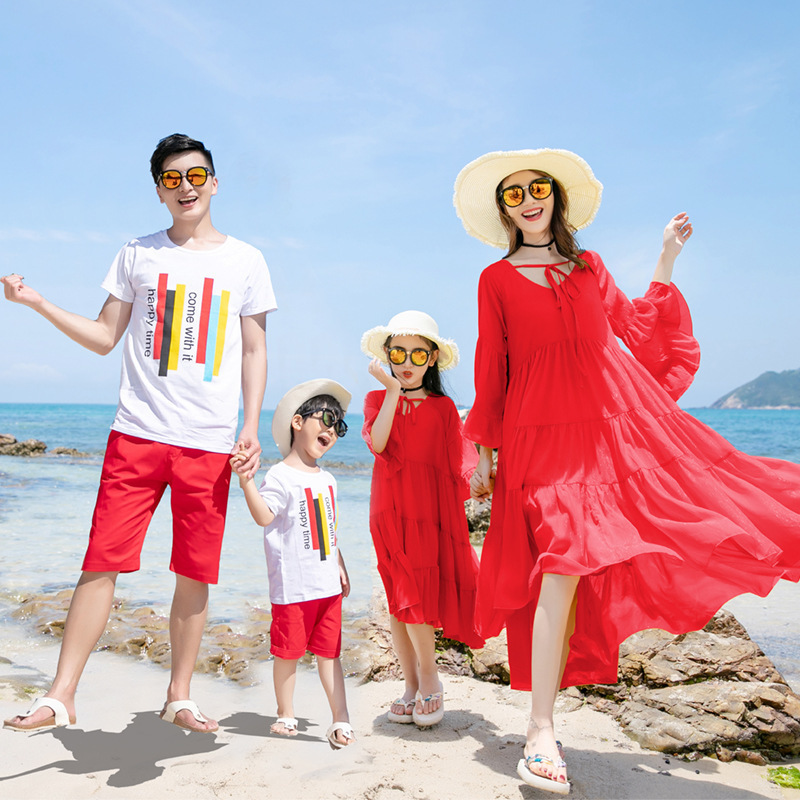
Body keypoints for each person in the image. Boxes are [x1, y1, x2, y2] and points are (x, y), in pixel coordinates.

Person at [453, 148, 800, 794]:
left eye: (539, 189)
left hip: (603, 439)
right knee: (559, 561)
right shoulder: (494, 280)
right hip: (536, 443)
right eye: (514, 194)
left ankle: (542, 728)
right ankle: (540, 731)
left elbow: (638, 332)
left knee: (685, 513)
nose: (529, 200)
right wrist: (486, 455)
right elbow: (489, 368)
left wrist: (666, 256)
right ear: (504, 209)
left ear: (556, 197)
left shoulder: (589, 268)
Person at [2, 133, 277, 734]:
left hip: (208, 441)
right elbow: (105, 336)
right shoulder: (137, 253)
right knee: (100, 562)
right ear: (158, 190)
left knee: (195, 571)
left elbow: (254, 349)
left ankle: (179, 694)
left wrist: (250, 426)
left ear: (213, 181)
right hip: (137, 433)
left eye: (197, 175)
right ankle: (61, 695)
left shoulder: (246, 260)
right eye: (173, 178)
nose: (187, 187)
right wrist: (39, 303)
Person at [361, 310, 484, 728]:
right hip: (388, 510)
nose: (408, 362)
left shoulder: (445, 408)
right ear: (389, 356)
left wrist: (487, 478)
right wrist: (393, 393)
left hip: (427, 511)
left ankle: (431, 679)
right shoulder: (378, 400)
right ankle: (412, 686)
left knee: (415, 592)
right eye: (399, 353)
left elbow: (458, 464)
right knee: (399, 600)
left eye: (418, 354)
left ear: (432, 359)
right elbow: (378, 443)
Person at [231, 379, 355, 748]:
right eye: (326, 419)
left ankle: (341, 718)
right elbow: (265, 516)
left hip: (327, 587)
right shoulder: (280, 476)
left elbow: (329, 530)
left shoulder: (328, 479)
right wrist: (246, 482)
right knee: (288, 653)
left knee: (330, 654)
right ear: (298, 422)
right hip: (293, 587)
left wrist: (341, 563)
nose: (332, 430)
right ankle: (286, 713)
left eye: (339, 426)